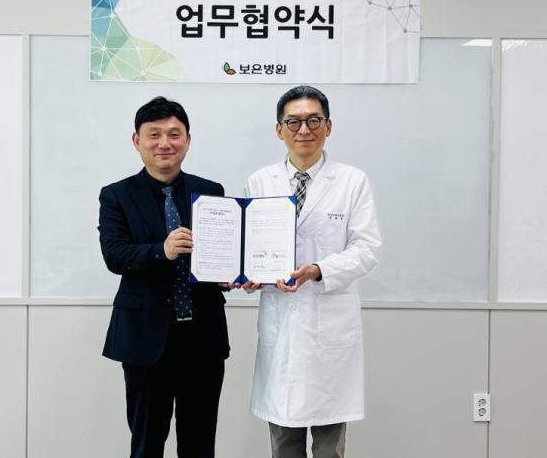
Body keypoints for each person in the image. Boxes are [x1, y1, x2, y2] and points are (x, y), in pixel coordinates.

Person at [244, 86, 381, 458]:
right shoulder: (260, 182)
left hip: (329, 326)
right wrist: (246, 275)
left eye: (313, 120)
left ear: (328, 126)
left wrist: (319, 269)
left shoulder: (352, 181)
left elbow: (367, 249)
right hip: (281, 326)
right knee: (283, 444)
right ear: (279, 130)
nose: (304, 129)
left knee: (328, 447)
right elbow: (250, 250)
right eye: (293, 122)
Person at [98, 96, 230, 458]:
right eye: (154, 134)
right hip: (144, 338)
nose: (164, 143)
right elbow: (115, 255)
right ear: (137, 140)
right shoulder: (116, 195)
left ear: (187, 140)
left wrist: (229, 273)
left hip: (202, 338)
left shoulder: (211, 191)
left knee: (199, 444)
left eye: (174, 134)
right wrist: (162, 250)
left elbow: (221, 252)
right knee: (146, 444)